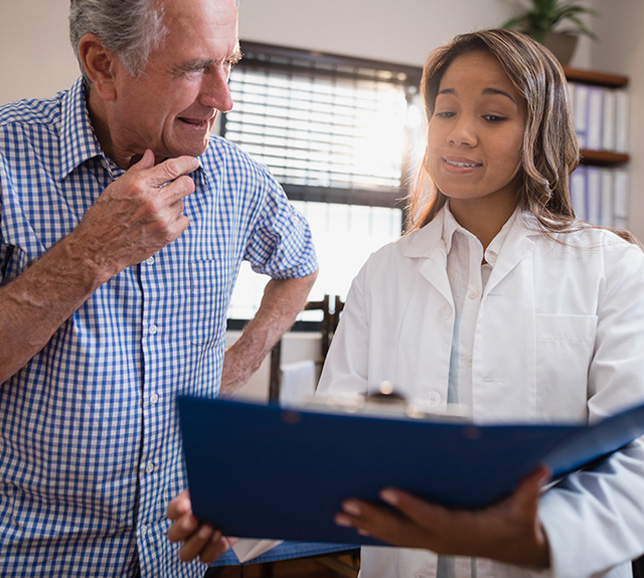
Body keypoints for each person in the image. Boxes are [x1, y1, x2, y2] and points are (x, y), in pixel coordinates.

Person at [168, 29, 644, 577]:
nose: (459, 134)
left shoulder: (610, 267)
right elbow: (337, 447)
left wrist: (535, 537)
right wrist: (239, 510)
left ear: (540, 131)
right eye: (445, 112)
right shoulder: (384, 272)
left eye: (493, 117)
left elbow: (630, 460)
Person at [0, 0, 317, 576]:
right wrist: (89, 254)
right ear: (102, 64)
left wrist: (238, 364)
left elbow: (299, 263)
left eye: (230, 62)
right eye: (195, 67)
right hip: (16, 555)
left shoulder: (239, 179)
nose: (223, 97)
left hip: (174, 555)